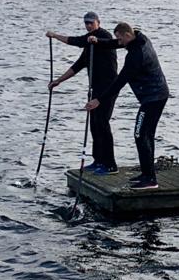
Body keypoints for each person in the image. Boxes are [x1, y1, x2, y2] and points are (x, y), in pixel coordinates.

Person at [84, 23, 169, 190]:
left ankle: (150, 180)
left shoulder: (136, 55)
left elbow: (120, 81)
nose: (119, 42)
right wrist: (98, 41)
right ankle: (147, 174)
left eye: (121, 39)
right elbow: (115, 43)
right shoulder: (138, 36)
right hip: (157, 94)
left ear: (128, 35)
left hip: (153, 98)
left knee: (140, 134)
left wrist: (98, 100)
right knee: (146, 135)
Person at [46, 12, 118, 175]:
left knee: (102, 124)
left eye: (91, 23)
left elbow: (77, 41)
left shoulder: (101, 36)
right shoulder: (89, 43)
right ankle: (98, 160)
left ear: (98, 22)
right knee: (94, 125)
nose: (88, 25)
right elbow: (78, 65)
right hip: (95, 88)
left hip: (108, 89)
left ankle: (111, 164)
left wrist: (55, 36)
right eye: (86, 23)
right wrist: (59, 80)